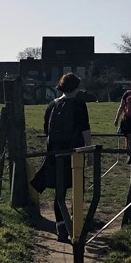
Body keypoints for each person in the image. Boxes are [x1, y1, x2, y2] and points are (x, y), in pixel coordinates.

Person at [30, 72, 92, 242]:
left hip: (55, 154)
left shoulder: (52, 105)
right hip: (75, 154)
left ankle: (61, 229)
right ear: (77, 87)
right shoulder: (80, 104)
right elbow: (85, 129)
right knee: (77, 189)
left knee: (60, 192)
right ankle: (77, 228)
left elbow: (46, 130)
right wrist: (89, 152)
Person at [114, 79, 131, 161]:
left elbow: (121, 106)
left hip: (127, 119)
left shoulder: (127, 94)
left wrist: (116, 119)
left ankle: (129, 153)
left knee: (127, 137)